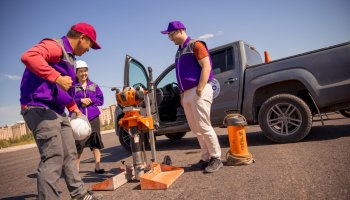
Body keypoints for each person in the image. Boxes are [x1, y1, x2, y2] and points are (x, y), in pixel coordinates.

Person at [20, 22, 103, 200]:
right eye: (90, 44)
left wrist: (73, 107)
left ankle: (79, 194)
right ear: (82, 38)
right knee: (53, 156)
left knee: (70, 152)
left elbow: (57, 90)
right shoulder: (56, 46)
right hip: (38, 107)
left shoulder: (70, 58)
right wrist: (56, 77)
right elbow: (29, 56)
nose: (89, 49)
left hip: (56, 110)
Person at [161, 21, 223, 173]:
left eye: (171, 34)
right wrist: (182, 95)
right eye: (169, 35)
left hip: (198, 90)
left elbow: (206, 66)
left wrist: (200, 88)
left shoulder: (196, 45)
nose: (170, 38)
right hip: (187, 93)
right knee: (196, 129)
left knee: (204, 126)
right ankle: (205, 158)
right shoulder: (179, 51)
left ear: (180, 30)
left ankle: (216, 157)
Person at [73, 60, 105, 174]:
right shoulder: (72, 86)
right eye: (80, 71)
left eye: (85, 71)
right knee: (79, 144)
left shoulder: (93, 85)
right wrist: (80, 100)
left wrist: (91, 100)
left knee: (96, 142)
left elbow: (101, 100)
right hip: (78, 118)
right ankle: (75, 170)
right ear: (76, 73)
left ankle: (97, 166)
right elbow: (68, 100)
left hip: (93, 117)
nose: (83, 74)